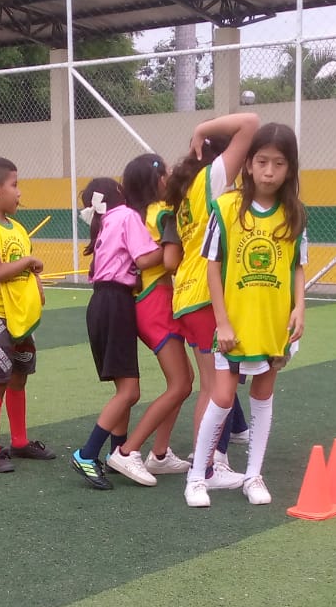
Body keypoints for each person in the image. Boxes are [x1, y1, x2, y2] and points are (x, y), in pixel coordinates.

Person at [193, 122, 308, 508]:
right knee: (222, 397)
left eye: (279, 163)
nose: (269, 171)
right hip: (235, 324)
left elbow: (297, 266)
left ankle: (253, 475)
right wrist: (222, 322)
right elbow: (212, 266)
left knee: (263, 395)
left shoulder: (295, 214)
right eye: (262, 161)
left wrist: (300, 308)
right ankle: (198, 476)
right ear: (248, 164)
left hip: (273, 324)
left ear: (290, 168)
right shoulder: (225, 208)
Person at [166, 111, 259, 491]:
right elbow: (250, 122)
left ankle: (206, 463)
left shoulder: (190, 189)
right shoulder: (212, 178)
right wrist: (202, 129)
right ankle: (207, 467)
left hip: (187, 295)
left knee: (211, 385)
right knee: (216, 387)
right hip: (204, 295)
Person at [67, 176, 168, 491]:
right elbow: (144, 259)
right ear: (120, 193)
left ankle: (116, 451)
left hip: (101, 303)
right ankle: (87, 454)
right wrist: (170, 246)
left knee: (124, 387)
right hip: (116, 303)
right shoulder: (126, 216)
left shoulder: (105, 223)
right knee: (130, 392)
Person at [101, 152, 195, 483]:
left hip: (147, 302)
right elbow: (169, 261)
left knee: (185, 381)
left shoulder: (137, 214)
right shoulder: (164, 213)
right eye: (165, 173)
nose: (170, 177)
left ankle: (160, 454)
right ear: (156, 180)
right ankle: (128, 451)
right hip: (156, 302)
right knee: (180, 384)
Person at [0, 154, 51, 473]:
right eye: (14, 185)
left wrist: (37, 287)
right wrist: (29, 261)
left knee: (19, 378)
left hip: (22, 318)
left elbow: (28, 273)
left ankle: (19, 441)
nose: (19, 192)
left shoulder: (17, 228)